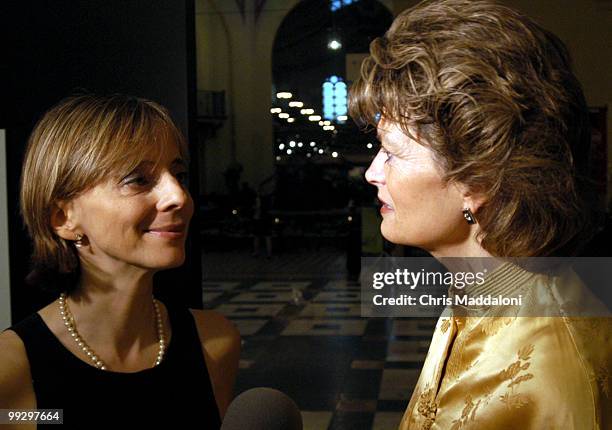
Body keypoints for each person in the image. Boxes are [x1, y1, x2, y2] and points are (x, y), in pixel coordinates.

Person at [350, 0, 611, 428]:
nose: (372, 172)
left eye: (392, 153)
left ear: (479, 179)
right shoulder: (480, 292)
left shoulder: (546, 369)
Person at [0, 94, 240, 428]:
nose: (179, 196)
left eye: (179, 175)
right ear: (62, 218)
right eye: (138, 179)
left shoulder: (215, 343)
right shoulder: (11, 371)